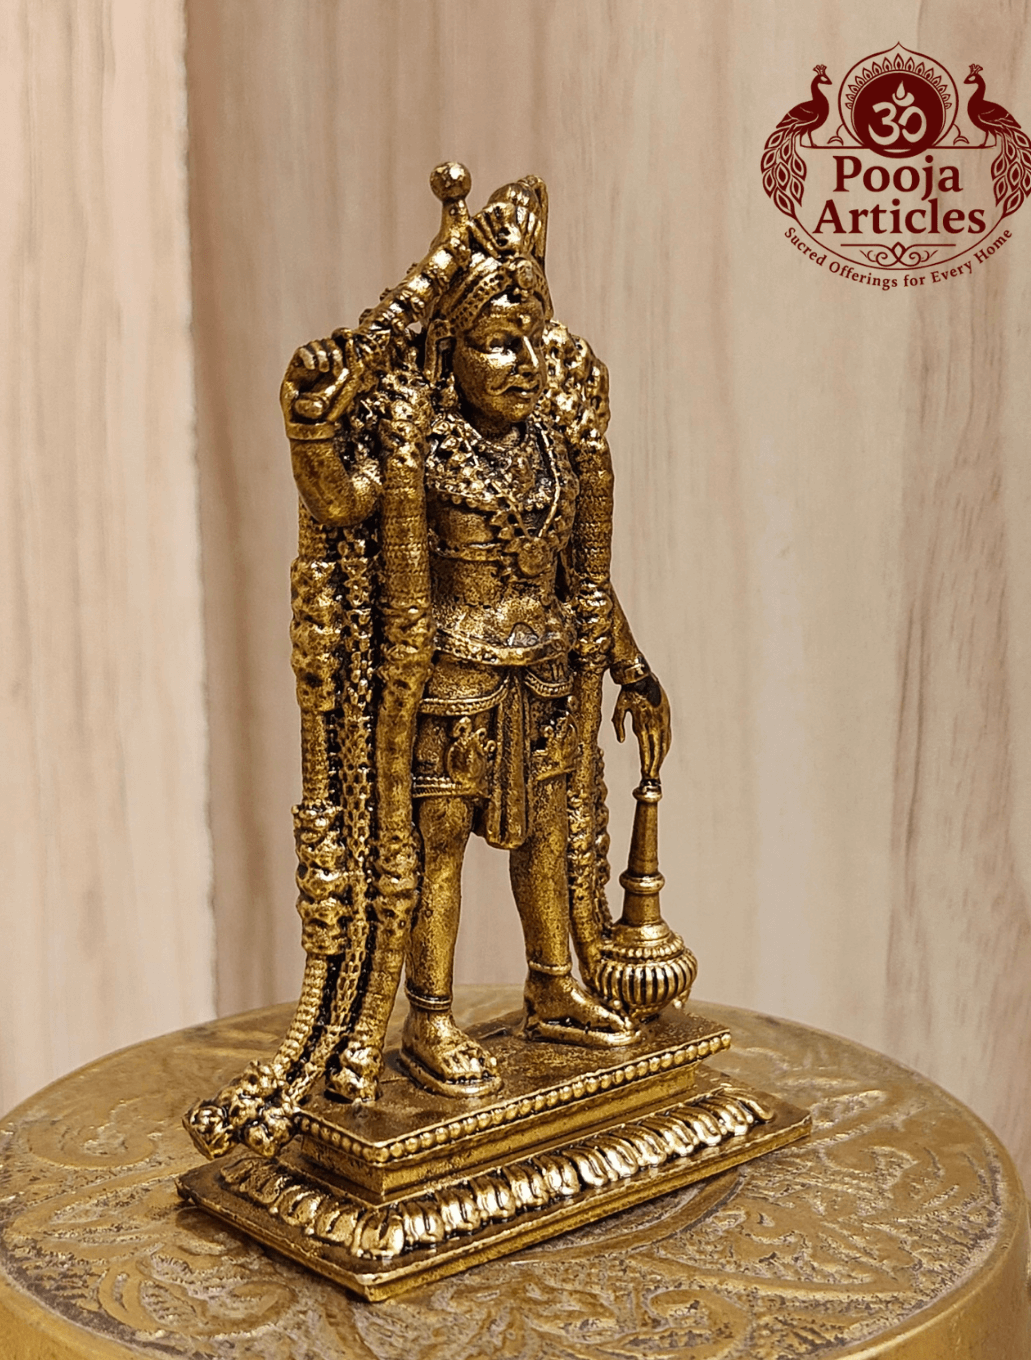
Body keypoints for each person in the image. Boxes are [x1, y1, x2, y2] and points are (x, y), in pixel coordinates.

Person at [186, 165, 670, 1154]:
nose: (523, 362)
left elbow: (580, 577)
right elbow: (339, 499)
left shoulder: (555, 446)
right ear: (450, 349)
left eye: (532, 338)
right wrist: (310, 423)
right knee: (435, 848)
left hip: (545, 677)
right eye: (497, 342)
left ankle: (553, 986)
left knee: (546, 838)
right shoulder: (424, 448)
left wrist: (630, 665)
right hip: (450, 682)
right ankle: (431, 1017)